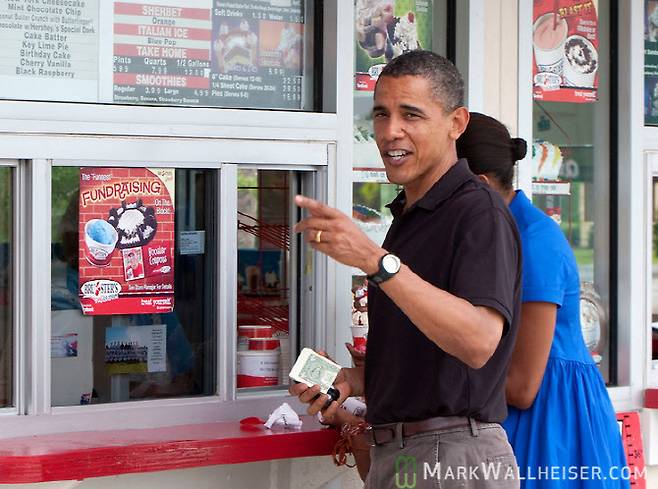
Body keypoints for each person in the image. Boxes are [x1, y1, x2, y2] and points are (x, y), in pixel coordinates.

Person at [290, 50, 522, 488]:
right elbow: (431, 360)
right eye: (381, 113)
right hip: (408, 455)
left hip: (451, 455)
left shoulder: (477, 211)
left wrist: (375, 262)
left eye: (411, 114)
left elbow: (477, 342)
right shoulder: (413, 214)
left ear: (456, 123)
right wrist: (353, 381)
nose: (390, 131)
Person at [457, 112, 629, 488]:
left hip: (552, 423)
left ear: (481, 184)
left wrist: (433, 376)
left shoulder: (534, 241)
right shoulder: (490, 236)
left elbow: (522, 386)